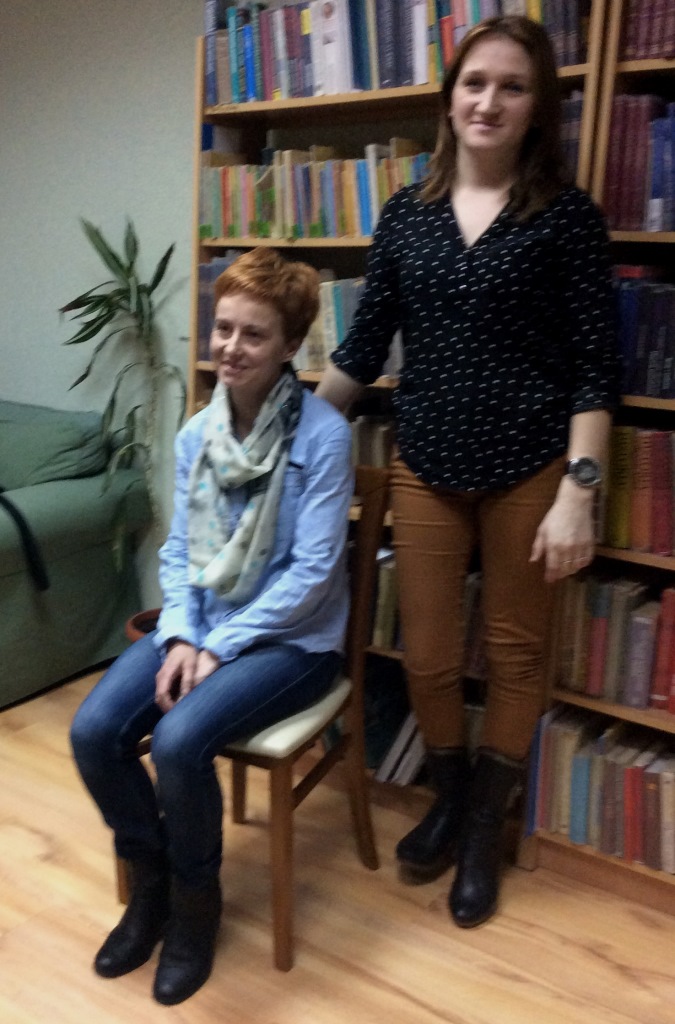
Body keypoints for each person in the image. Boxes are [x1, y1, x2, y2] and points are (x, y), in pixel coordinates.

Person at [317, 15, 619, 928]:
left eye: (511, 86)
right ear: (449, 97)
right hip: (426, 465)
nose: (488, 101)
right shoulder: (405, 212)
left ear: (536, 108)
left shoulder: (566, 218)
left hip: (531, 470)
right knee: (428, 654)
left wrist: (579, 492)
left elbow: (594, 370)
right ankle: (448, 797)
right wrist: (286, 440)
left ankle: (484, 825)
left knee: (517, 655)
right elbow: (362, 349)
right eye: (474, 82)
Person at [70, 248, 353, 1004]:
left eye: (252, 334)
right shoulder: (197, 433)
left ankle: (197, 906)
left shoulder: (323, 436)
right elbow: (179, 554)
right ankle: (152, 884)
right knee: (94, 731)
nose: (229, 347)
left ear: (289, 346)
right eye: (223, 328)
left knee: (179, 740)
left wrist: (217, 646)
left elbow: (311, 575)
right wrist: (183, 636)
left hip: (294, 642)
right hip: (204, 625)